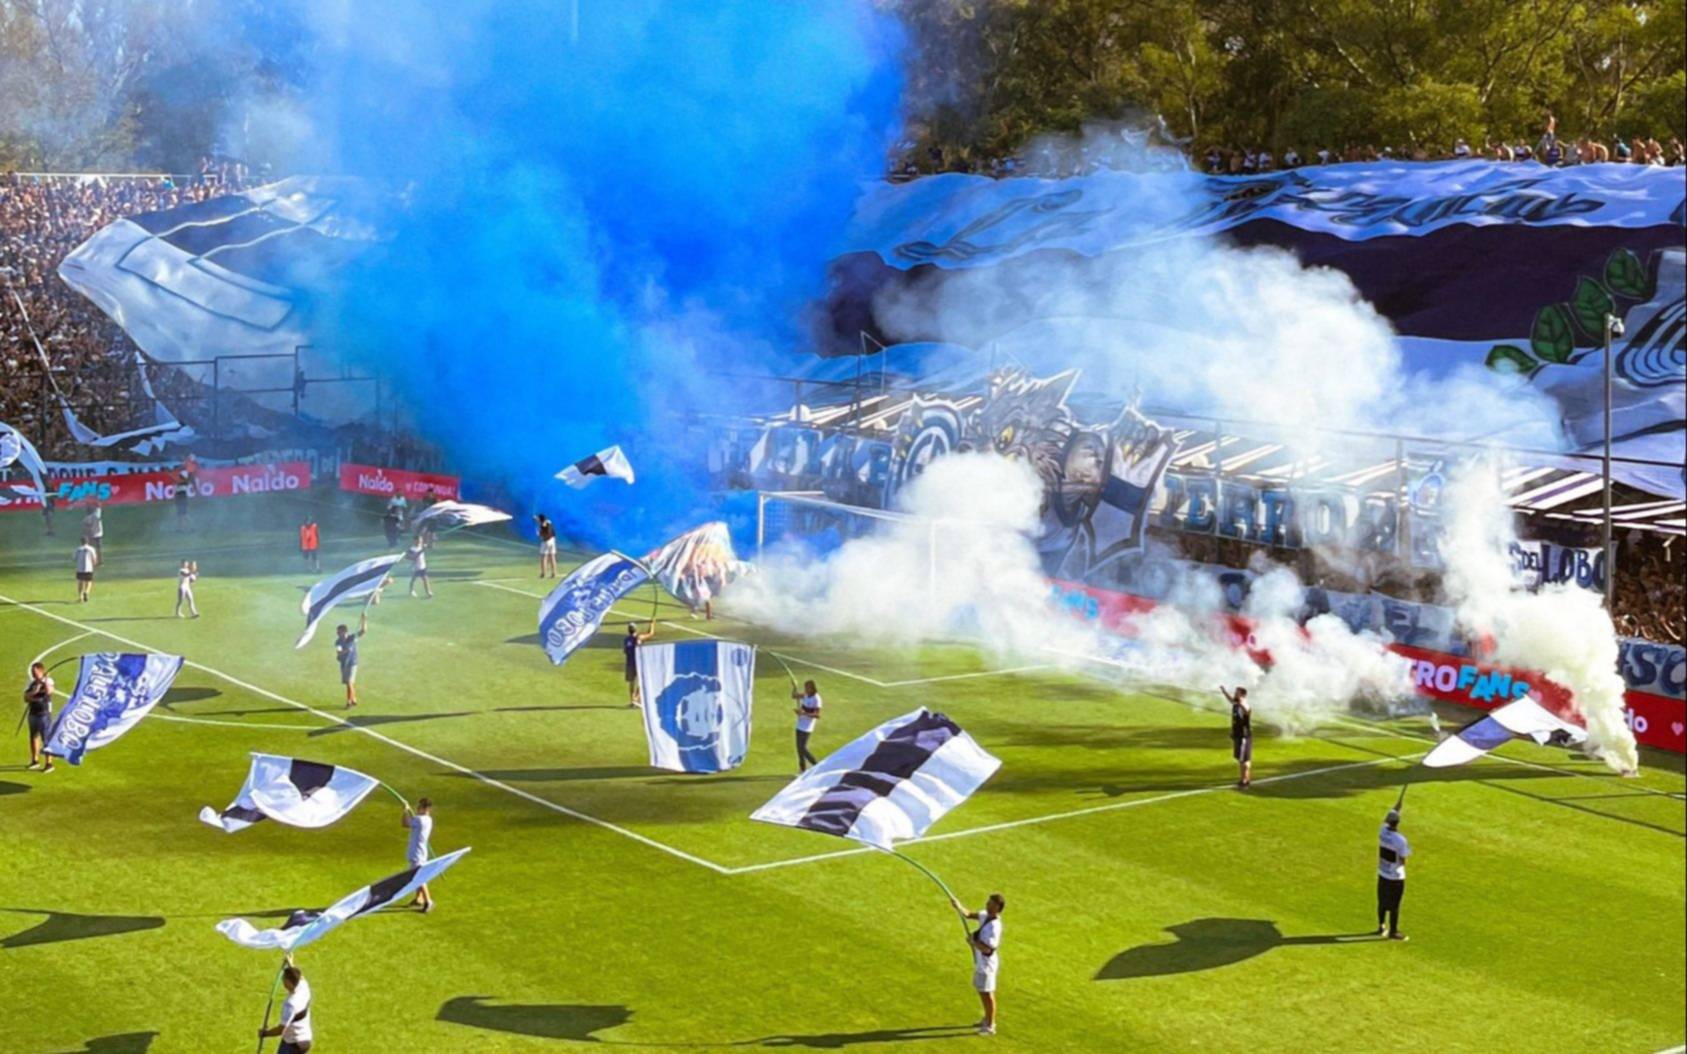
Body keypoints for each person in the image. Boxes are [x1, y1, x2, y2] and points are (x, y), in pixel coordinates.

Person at [948, 892, 1005, 1036]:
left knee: (987, 994)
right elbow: (968, 914)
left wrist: (973, 943)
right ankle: (986, 1018)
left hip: (987, 965)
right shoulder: (985, 915)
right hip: (980, 962)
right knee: (981, 991)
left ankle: (991, 1025)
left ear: (997, 907)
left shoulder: (995, 927)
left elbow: (988, 949)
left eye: (991, 903)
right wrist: (958, 906)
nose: (987, 904)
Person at [257, 959, 312, 1052]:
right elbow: (298, 977)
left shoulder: (291, 1004)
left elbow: (281, 1029)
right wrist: (290, 962)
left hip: (293, 1043)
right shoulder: (303, 986)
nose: (283, 981)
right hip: (305, 1039)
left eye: (284, 979)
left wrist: (265, 1033)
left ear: (289, 982)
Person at [1376, 808, 1410, 941]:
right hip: (1395, 876)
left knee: (1382, 901)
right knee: (1395, 905)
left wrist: (1396, 808)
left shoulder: (1382, 831)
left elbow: (1387, 819)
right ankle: (1393, 931)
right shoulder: (1400, 840)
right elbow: (1403, 858)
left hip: (1382, 872)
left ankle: (1381, 926)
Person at [401, 798, 436, 913]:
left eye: (419, 807)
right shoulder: (428, 820)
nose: (417, 809)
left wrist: (405, 811)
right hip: (421, 852)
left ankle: (428, 901)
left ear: (425, 808)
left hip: (417, 853)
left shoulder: (419, 820)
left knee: (418, 878)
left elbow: (405, 824)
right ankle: (418, 898)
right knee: (418, 875)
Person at [22, 662, 56, 773]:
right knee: (33, 736)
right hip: (33, 713)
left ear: (41, 671)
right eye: (32, 672)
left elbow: (49, 691)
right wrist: (35, 691)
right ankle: (35, 761)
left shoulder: (48, 681)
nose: (33, 674)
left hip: (44, 713)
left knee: (46, 738)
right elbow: (26, 698)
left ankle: (49, 763)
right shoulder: (31, 683)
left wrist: (43, 682)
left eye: (35, 672)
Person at [1220, 685, 1252, 787]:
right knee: (1242, 759)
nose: (1235, 693)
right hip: (1238, 735)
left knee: (1243, 760)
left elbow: (1247, 712)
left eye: (1237, 692)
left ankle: (1244, 781)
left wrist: (1241, 704)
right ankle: (1245, 778)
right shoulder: (1236, 703)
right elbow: (1231, 700)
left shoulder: (1244, 704)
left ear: (1242, 694)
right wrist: (1224, 691)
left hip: (1243, 736)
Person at [335, 615, 366, 709]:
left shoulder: (352, 638)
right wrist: (346, 651)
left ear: (344, 632)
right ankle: (352, 700)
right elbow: (339, 652)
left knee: (349, 681)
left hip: (352, 663)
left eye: (339, 632)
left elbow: (363, 631)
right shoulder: (338, 642)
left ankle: (351, 701)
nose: (337, 633)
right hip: (344, 664)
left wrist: (364, 619)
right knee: (349, 683)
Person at [791, 679, 822, 772]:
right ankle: (802, 769)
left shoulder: (817, 699)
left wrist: (803, 713)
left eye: (807, 688)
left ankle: (816, 764)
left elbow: (817, 715)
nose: (806, 690)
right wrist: (794, 686)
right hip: (799, 725)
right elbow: (794, 696)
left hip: (807, 727)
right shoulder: (805, 695)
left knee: (802, 748)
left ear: (812, 688)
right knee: (799, 749)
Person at [623, 621, 655, 707]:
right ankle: (636, 698)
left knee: (631, 683)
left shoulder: (626, 640)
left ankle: (632, 700)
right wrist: (652, 625)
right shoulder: (639, 637)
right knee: (641, 682)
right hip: (639, 663)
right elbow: (650, 634)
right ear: (635, 629)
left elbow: (625, 651)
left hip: (629, 663)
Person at [405, 530, 434, 598]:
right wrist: (422, 550)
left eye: (420, 540)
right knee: (413, 580)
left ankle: (428, 592)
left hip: (422, 566)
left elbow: (429, 546)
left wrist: (430, 542)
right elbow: (412, 557)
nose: (419, 542)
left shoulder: (421, 547)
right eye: (418, 541)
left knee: (425, 579)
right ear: (414, 541)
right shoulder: (412, 549)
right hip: (415, 568)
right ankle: (411, 590)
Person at [73, 538, 99, 602]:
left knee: (80, 582)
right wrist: (95, 564)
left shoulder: (78, 549)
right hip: (89, 568)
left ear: (81, 542)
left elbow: (74, 558)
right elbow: (94, 558)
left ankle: (80, 597)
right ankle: (86, 592)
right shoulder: (91, 549)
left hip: (80, 568)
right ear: (88, 542)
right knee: (89, 581)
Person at [535, 512, 558, 578]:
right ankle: (554, 573)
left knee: (543, 557)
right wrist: (536, 518)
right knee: (552, 557)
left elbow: (543, 533)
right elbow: (542, 521)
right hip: (553, 541)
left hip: (546, 541)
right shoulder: (549, 522)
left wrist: (539, 534)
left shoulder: (543, 525)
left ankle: (543, 573)